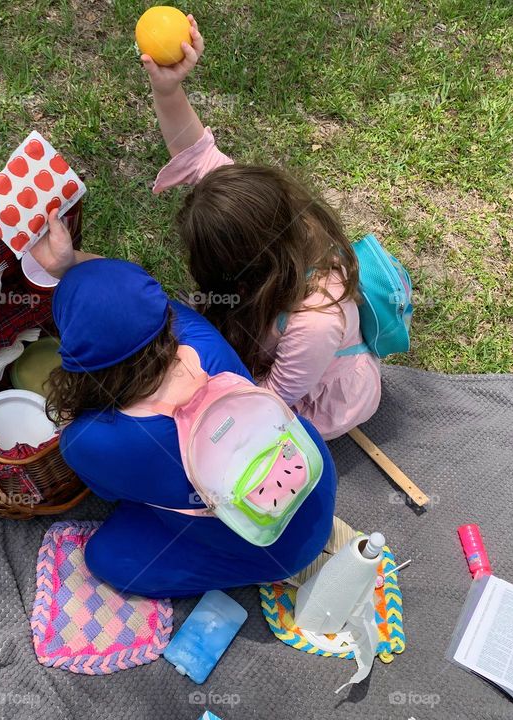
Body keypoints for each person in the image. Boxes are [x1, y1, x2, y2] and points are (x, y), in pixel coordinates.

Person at [30, 211, 336, 598]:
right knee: (159, 489)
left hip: (276, 549)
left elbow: (107, 493)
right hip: (310, 473)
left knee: (106, 556)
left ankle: (249, 562)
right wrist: (69, 263)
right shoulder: (196, 332)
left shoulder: (86, 440)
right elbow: (131, 298)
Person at [140, 16, 381, 440]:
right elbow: (196, 154)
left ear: (243, 270)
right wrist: (168, 88)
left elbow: (270, 399)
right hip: (275, 341)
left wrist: (203, 415)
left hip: (312, 396)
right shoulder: (273, 219)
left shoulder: (314, 323)